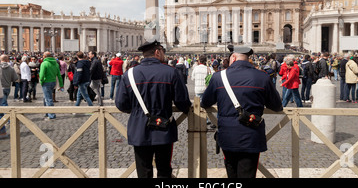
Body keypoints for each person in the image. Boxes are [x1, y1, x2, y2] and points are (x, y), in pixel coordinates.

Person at [201, 45, 283, 178]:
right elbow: (277, 106)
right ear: (248, 58)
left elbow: (205, 103)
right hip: (251, 135)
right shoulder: (262, 77)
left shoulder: (218, 77)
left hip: (227, 135)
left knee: (231, 174)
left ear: (233, 57)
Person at [115, 40, 191, 178]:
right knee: (164, 170)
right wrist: (187, 110)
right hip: (164, 127)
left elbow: (121, 104)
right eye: (163, 51)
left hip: (139, 129)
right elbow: (182, 102)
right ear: (157, 52)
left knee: (143, 170)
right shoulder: (171, 72)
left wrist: (137, 111)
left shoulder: (129, 74)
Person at [39, 51, 64, 120]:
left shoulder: (44, 63)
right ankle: (47, 112)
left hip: (46, 82)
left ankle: (51, 115)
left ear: (45, 56)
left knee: (48, 99)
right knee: (45, 97)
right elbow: (59, 75)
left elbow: (41, 75)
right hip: (53, 82)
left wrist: (41, 81)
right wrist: (61, 85)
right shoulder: (55, 63)